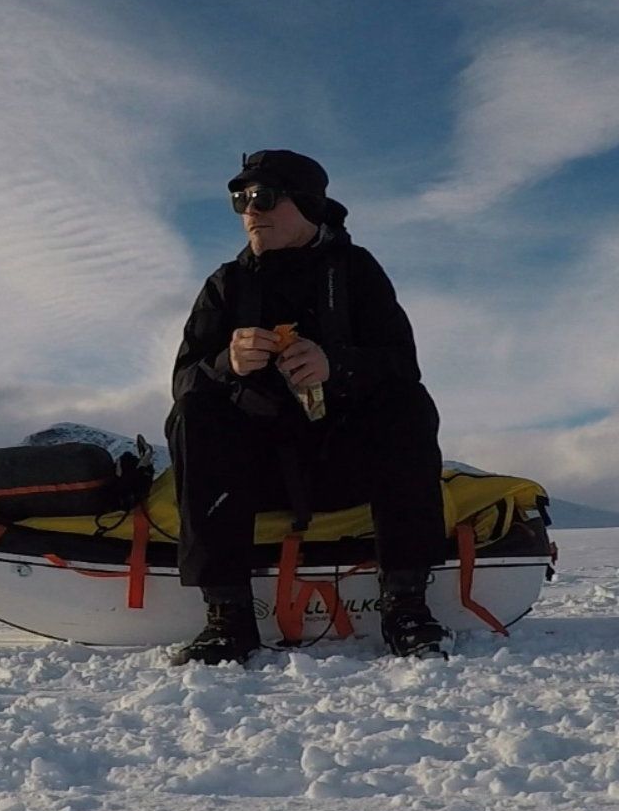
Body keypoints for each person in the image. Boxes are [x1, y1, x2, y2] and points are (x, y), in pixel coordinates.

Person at [164, 149, 450, 665]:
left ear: (308, 205)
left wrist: (335, 365)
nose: (250, 210)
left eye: (264, 197)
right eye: (240, 199)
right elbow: (183, 380)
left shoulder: (357, 272)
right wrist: (226, 364)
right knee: (194, 413)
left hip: (347, 464)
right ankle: (227, 618)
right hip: (255, 475)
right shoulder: (227, 284)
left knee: (406, 404)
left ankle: (407, 604)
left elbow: (402, 366)